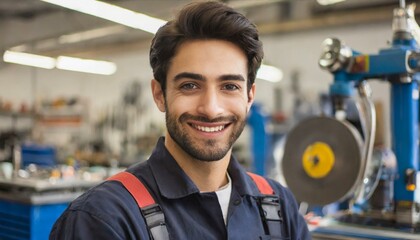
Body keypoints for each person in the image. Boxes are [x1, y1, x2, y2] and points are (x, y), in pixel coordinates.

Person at [50, 1, 310, 239]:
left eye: (229, 86)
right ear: (159, 95)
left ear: (249, 96)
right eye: (190, 85)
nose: (211, 108)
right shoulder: (105, 218)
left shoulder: (278, 205)